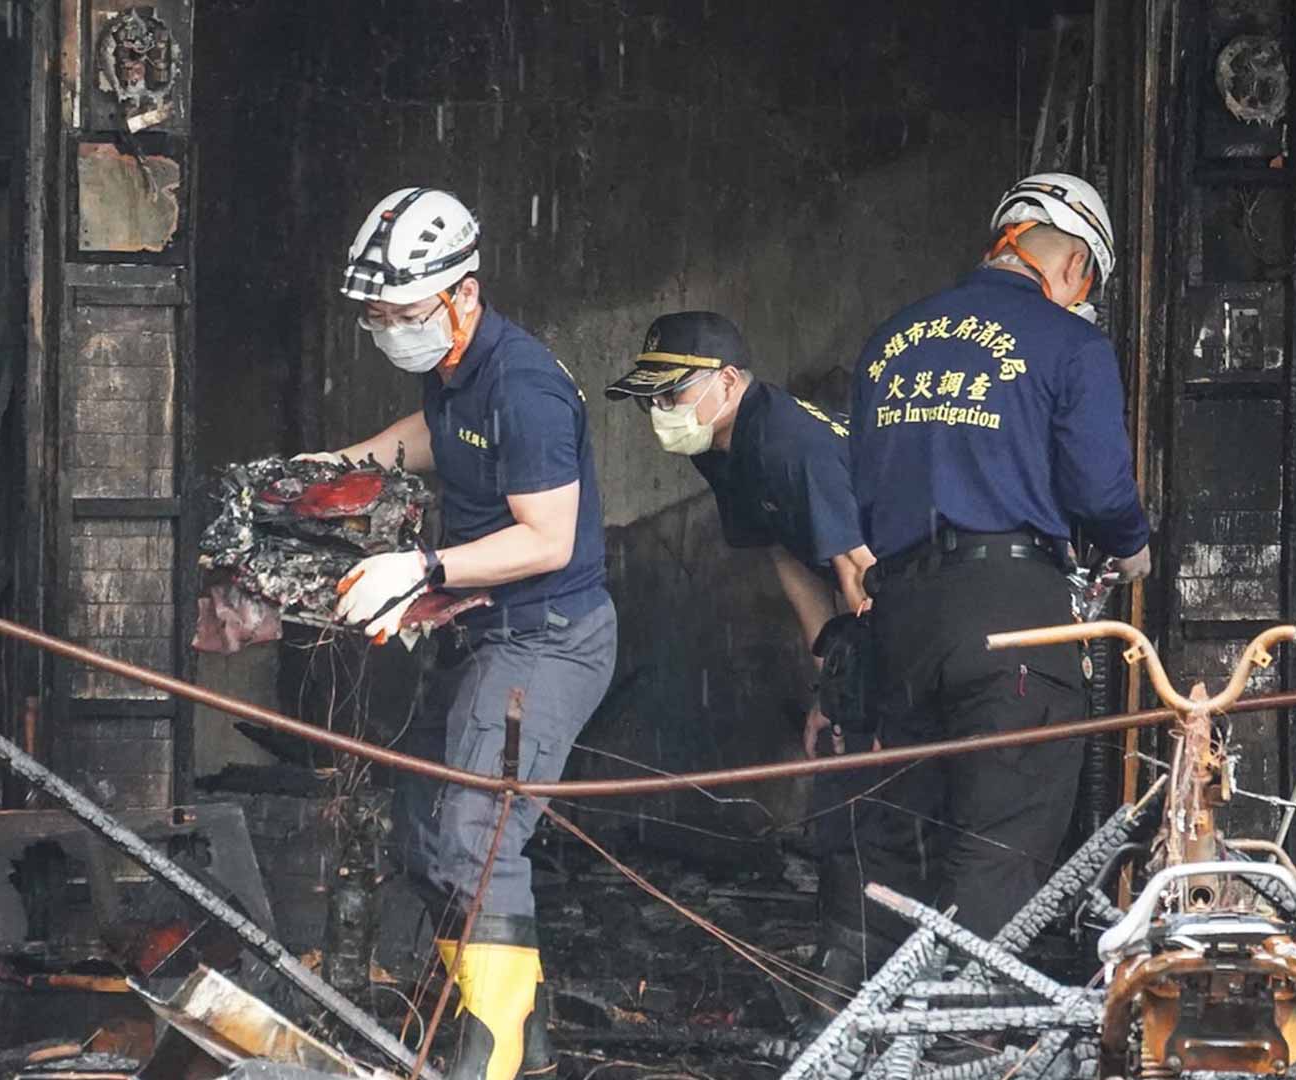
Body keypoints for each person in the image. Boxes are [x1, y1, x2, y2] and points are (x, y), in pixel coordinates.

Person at [307, 186, 615, 1080]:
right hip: (493, 630)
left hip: (553, 637)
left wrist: (426, 568)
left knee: (479, 837)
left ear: (464, 294)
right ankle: (526, 1039)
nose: (393, 330)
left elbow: (548, 538)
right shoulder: (454, 369)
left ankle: (495, 1062)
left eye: (405, 313)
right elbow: (441, 436)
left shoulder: (524, 386)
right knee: (425, 829)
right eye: (380, 318)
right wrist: (347, 468)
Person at [844, 173, 1151, 946]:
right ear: (1077, 265)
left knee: (914, 839)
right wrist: (1132, 547)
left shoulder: (893, 337)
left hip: (902, 619)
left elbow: (865, 488)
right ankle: (955, 1043)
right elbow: (1100, 485)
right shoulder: (1072, 343)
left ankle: (879, 1025)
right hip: (1011, 616)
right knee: (998, 851)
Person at [603, 312, 885, 1018]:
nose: (658, 415)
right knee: (842, 798)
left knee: (878, 793)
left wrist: (873, 703)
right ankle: (843, 982)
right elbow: (788, 557)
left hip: (910, 593)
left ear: (727, 382)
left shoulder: (789, 440)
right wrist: (830, 682)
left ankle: (882, 988)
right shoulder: (720, 447)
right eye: (649, 401)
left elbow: (860, 574)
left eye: (671, 396)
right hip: (861, 613)